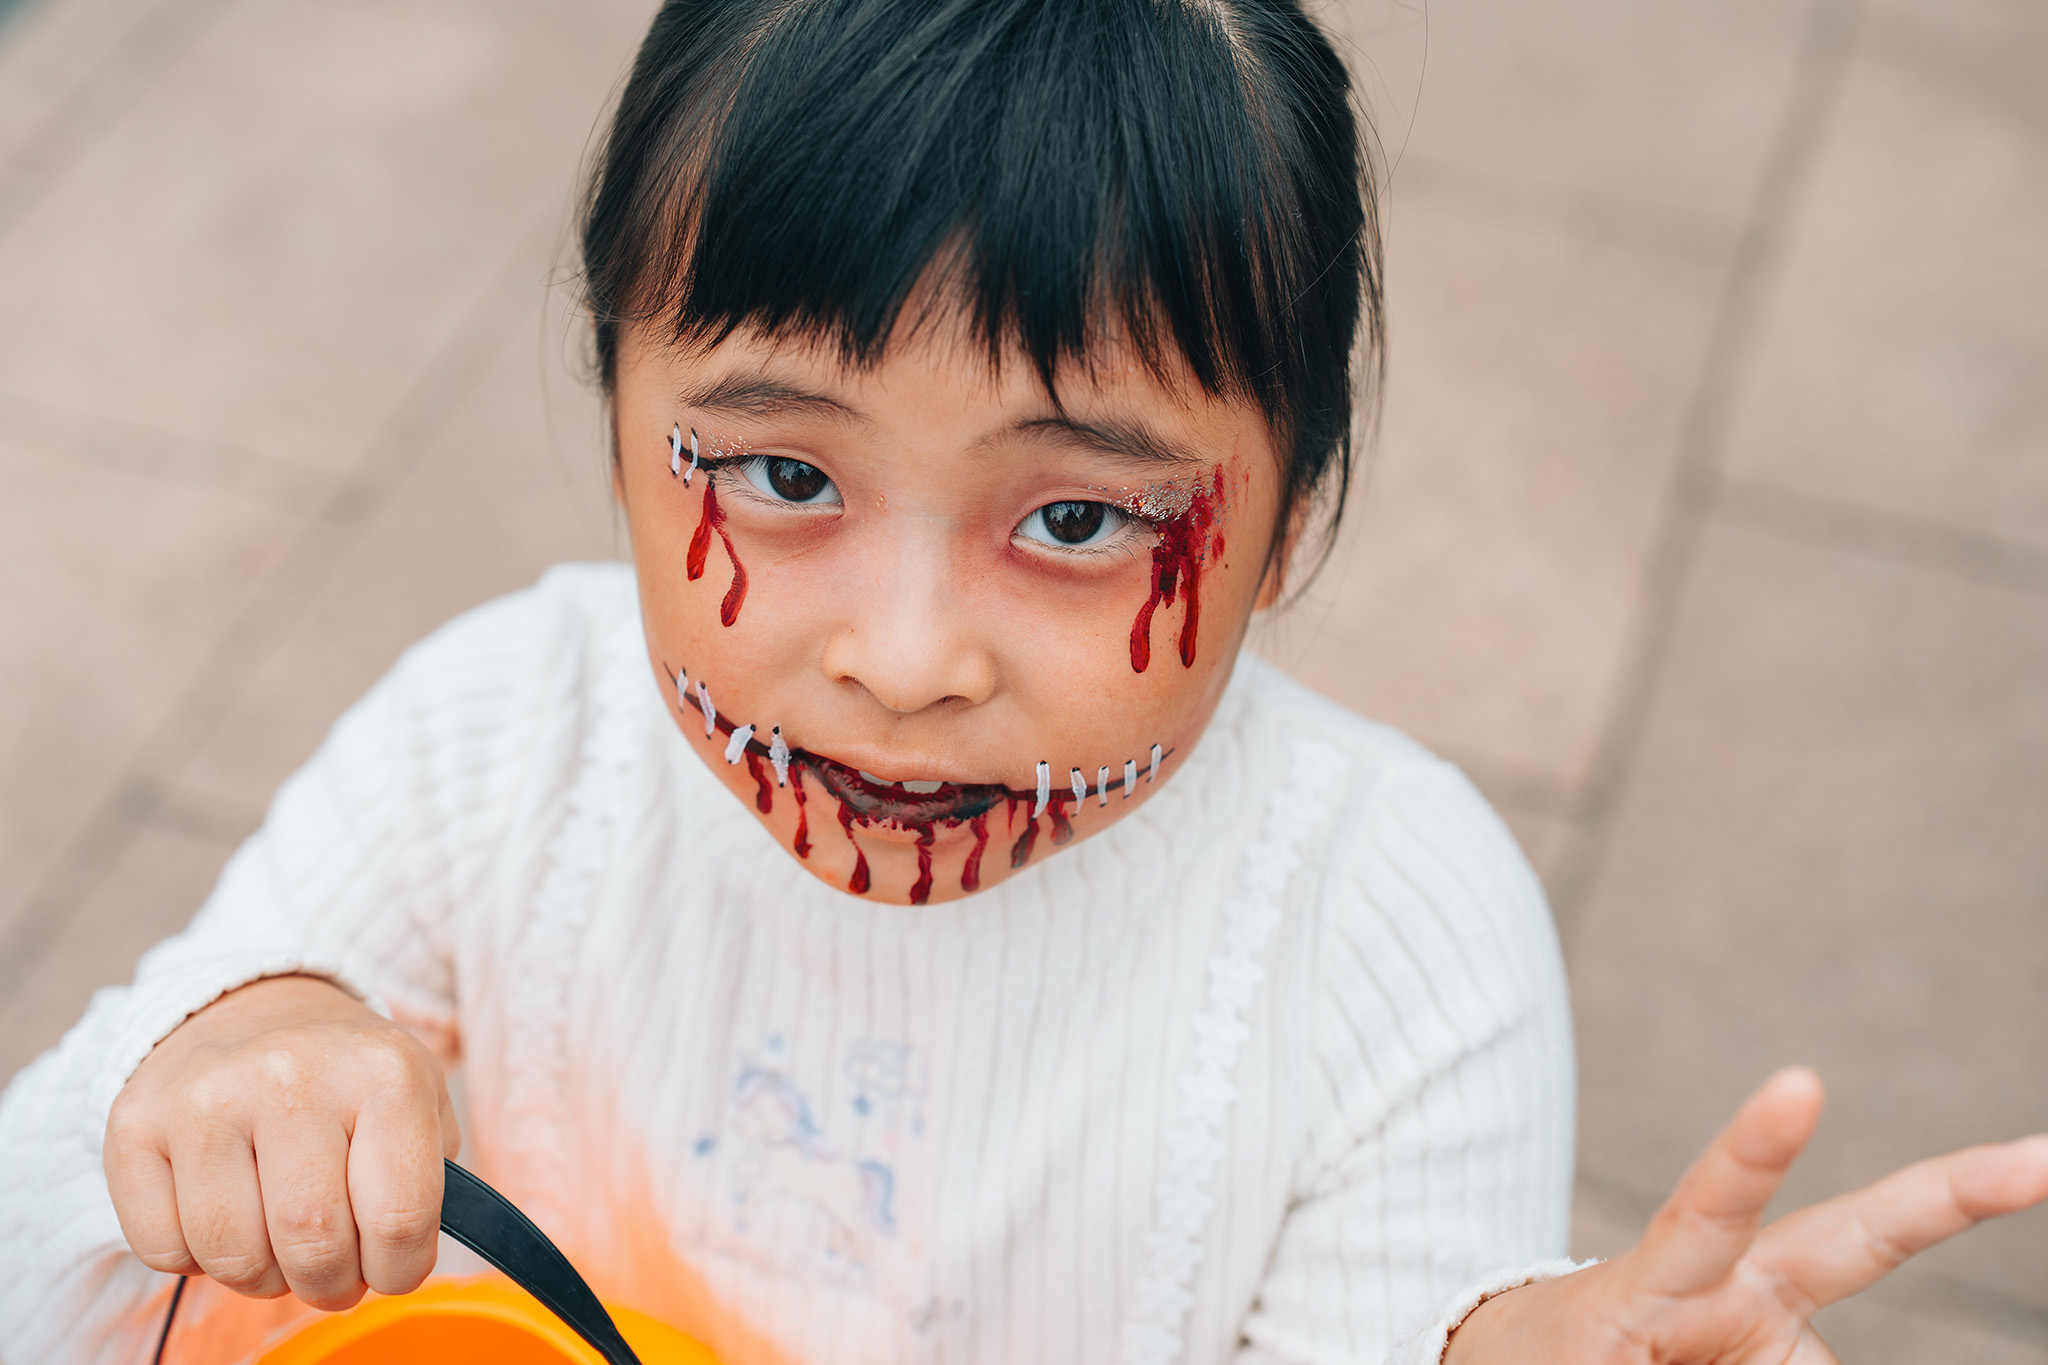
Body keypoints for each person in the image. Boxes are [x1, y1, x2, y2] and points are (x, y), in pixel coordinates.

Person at [1, 1, 2042, 1362]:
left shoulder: (1391, 938)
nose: (903, 661)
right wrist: (229, 1050)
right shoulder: (496, 745)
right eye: (782, 474)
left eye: (1075, 517)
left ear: (1290, 518)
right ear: (616, 414)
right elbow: (43, 1230)